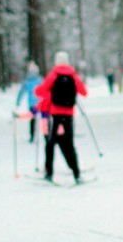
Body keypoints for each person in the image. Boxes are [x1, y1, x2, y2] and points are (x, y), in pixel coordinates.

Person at [34, 51, 88, 182]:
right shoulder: (73, 76)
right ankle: (77, 173)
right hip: (69, 115)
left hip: (56, 115)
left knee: (51, 143)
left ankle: (49, 173)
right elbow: (84, 92)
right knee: (69, 143)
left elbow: (40, 91)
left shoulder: (53, 75)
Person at [16, 62, 43, 142]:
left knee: (32, 120)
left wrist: (18, 101)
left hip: (31, 104)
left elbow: (22, 91)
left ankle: (32, 136)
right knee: (44, 118)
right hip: (40, 103)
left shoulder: (27, 81)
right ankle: (46, 134)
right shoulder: (40, 80)